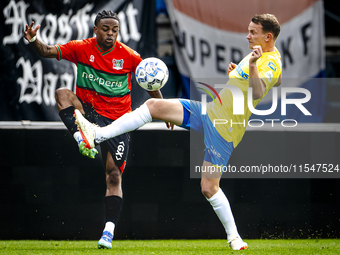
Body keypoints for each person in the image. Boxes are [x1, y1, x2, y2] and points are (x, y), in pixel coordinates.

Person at [75, 14, 282, 250]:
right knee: (154, 106)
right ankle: (97, 134)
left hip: (225, 128)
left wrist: (252, 68)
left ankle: (235, 238)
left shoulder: (267, 61)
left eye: (252, 32)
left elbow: (258, 92)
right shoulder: (263, 55)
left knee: (208, 187)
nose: (247, 35)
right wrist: (239, 75)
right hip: (212, 111)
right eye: (248, 30)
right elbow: (277, 81)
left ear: (267, 36)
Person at [23, 10, 168, 249]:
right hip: (88, 113)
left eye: (114, 30)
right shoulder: (81, 48)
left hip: (118, 122)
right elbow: (47, 51)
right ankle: (82, 138)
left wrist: (164, 110)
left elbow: (149, 83)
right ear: (95, 30)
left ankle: (108, 232)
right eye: (105, 29)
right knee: (62, 93)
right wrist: (32, 40)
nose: (110, 34)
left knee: (113, 175)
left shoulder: (130, 56)